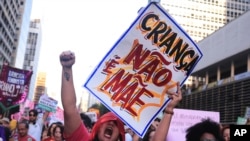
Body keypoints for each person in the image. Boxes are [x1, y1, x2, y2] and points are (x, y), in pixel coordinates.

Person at [60, 50, 125, 141]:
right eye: (107, 121)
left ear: (119, 136)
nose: (111, 123)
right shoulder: (84, 139)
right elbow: (69, 108)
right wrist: (67, 68)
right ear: (98, 128)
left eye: (116, 123)